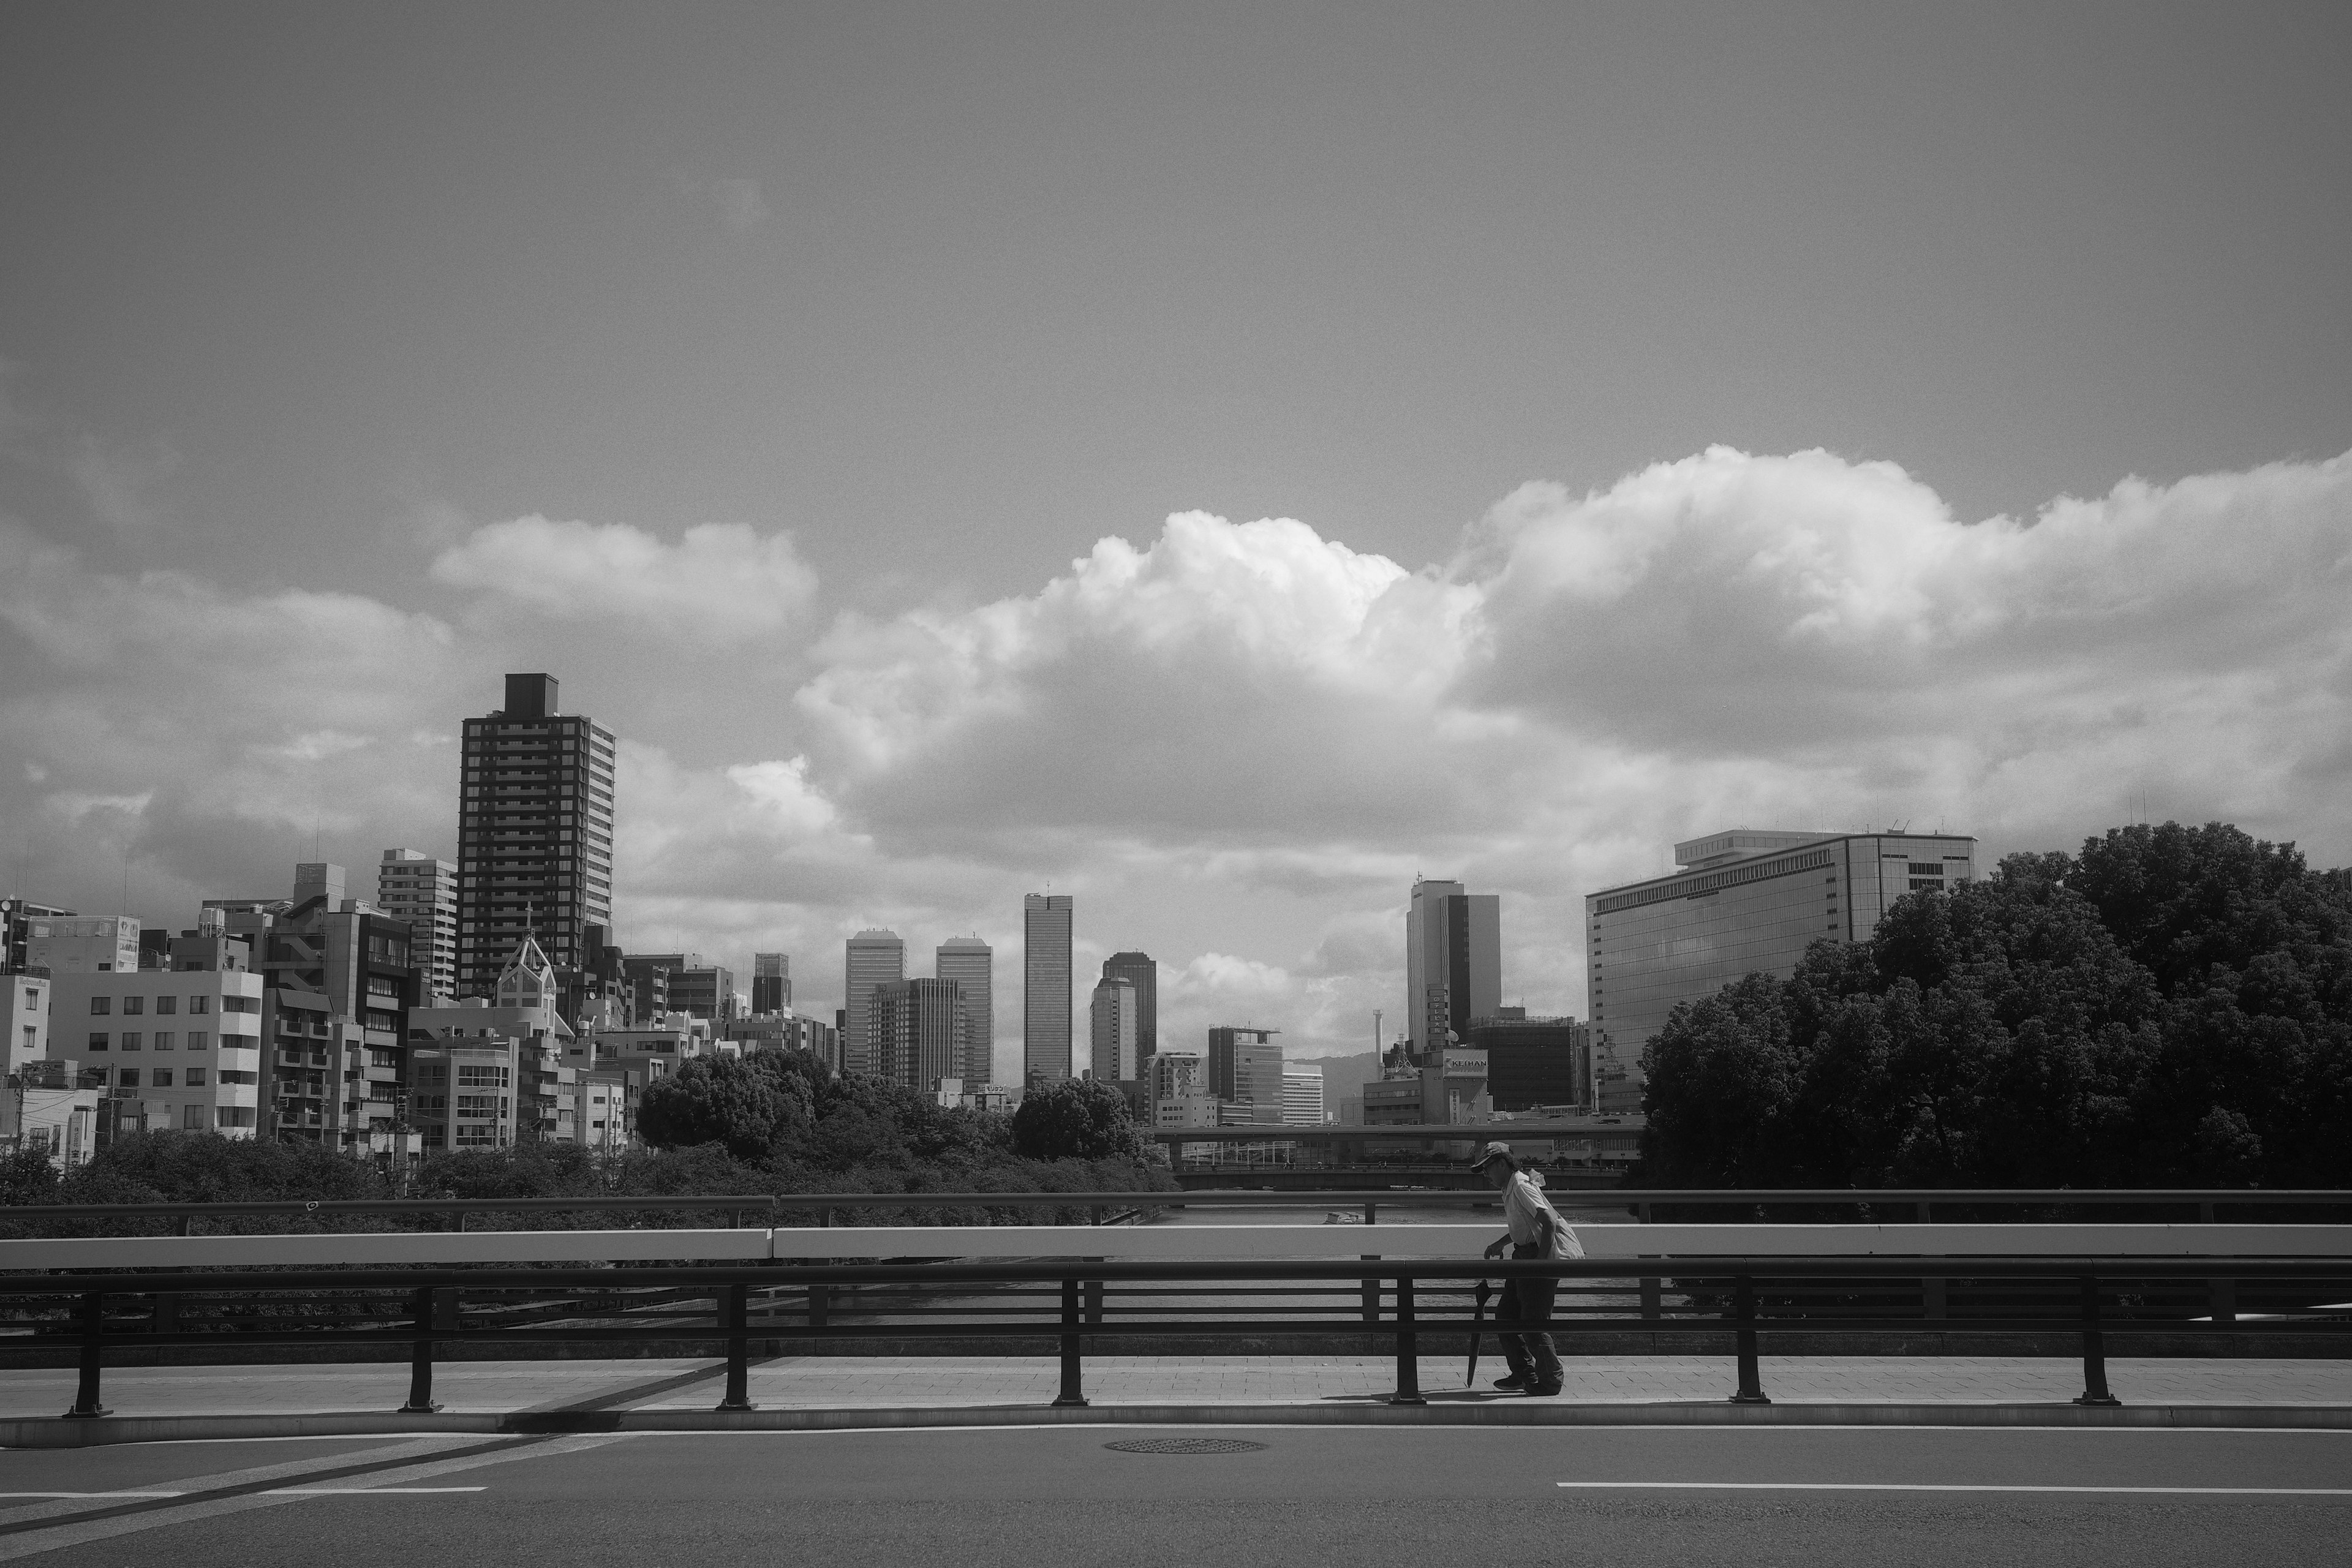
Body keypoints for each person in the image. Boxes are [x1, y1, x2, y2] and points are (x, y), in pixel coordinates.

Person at [1474, 1140, 1579, 1396]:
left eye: (1488, 1168)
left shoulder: (1520, 1185)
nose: (1486, 1175)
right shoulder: (1511, 1187)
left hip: (1534, 1257)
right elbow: (1528, 1225)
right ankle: (1524, 1374)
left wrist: (1539, 1265)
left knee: (1533, 1323)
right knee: (1507, 1317)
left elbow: (1549, 1223)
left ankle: (1550, 1382)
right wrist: (1502, 1242)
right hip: (1523, 1255)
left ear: (1502, 1164)